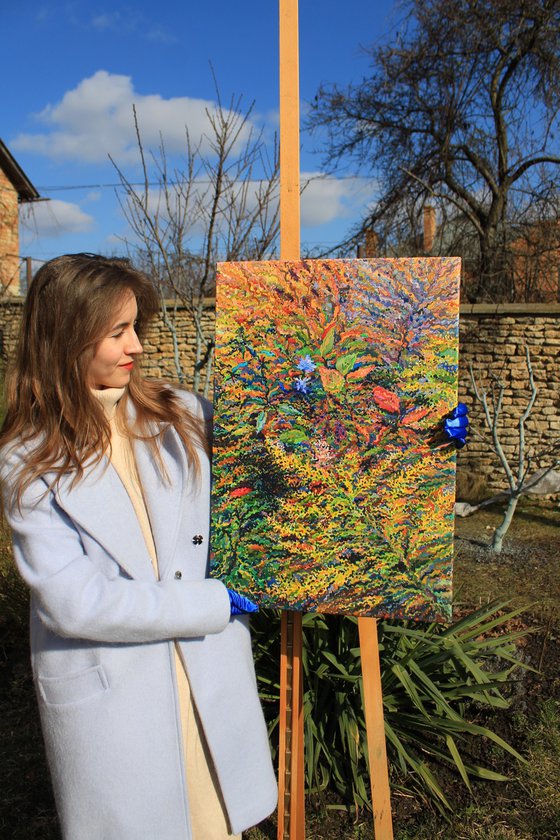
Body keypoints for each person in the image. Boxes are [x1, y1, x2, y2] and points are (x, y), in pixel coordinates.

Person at [0, 254, 277, 840]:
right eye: (117, 331)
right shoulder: (26, 460)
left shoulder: (182, 414)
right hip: (115, 702)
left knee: (217, 821)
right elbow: (76, 604)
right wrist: (213, 602)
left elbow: (284, 449)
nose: (138, 347)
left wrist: (410, 426)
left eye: (136, 328)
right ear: (68, 336)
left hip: (206, 680)